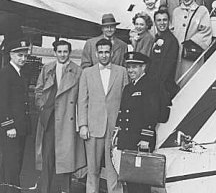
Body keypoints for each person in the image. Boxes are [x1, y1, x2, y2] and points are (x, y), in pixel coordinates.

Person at [35, 40, 86, 193]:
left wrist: (79, 122)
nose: (62, 54)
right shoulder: (47, 68)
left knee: (66, 158)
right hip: (49, 119)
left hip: (67, 119)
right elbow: (38, 90)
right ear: (54, 52)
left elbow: (81, 98)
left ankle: (65, 190)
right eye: (60, 51)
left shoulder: (78, 71)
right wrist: (43, 106)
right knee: (47, 156)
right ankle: (45, 190)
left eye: (65, 51)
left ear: (69, 53)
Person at [78, 38, 128, 193]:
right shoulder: (87, 73)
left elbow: (126, 101)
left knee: (114, 170)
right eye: (101, 52)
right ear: (96, 53)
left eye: (107, 52)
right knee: (92, 170)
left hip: (114, 130)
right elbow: (82, 100)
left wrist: (123, 128)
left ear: (112, 53)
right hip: (93, 128)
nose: (104, 55)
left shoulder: (122, 71)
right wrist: (83, 125)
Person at [115, 52, 161, 193]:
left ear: (143, 67)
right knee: (130, 180)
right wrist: (117, 134)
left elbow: (152, 114)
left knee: (141, 182)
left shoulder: (151, 85)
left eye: (134, 67)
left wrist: (145, 138)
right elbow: (123, 112)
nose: (130, 71)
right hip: (128, 140)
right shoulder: (128, 88)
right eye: (128, 67)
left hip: (141, 141)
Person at [0, 39, 30, 193]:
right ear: (11, 54)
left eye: (25, 55)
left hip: (20, 127)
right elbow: (3, 101)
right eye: (20, 55)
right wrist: (9, 125)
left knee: (15, 164)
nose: (23, 58)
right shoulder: (6, 73)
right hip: (12, 129)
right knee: (11, 164)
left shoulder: (20, 73)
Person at [172, 0, 212, 84]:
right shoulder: (176, 11)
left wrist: (192, 42)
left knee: (191, 78)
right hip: (177, 53)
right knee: (178, 79)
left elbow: (206, 31)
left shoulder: (202, 11)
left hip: (192, 52)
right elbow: (173, 30)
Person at [147, 9, 179, 102]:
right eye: (159, 20)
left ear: (169, 21)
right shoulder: (157, 38)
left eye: (165, 20)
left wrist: (155, 90)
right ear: (155, 22)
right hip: (153, 87)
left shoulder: (171, 41)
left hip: (162, 89)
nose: (162, 23)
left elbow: (166, 70)